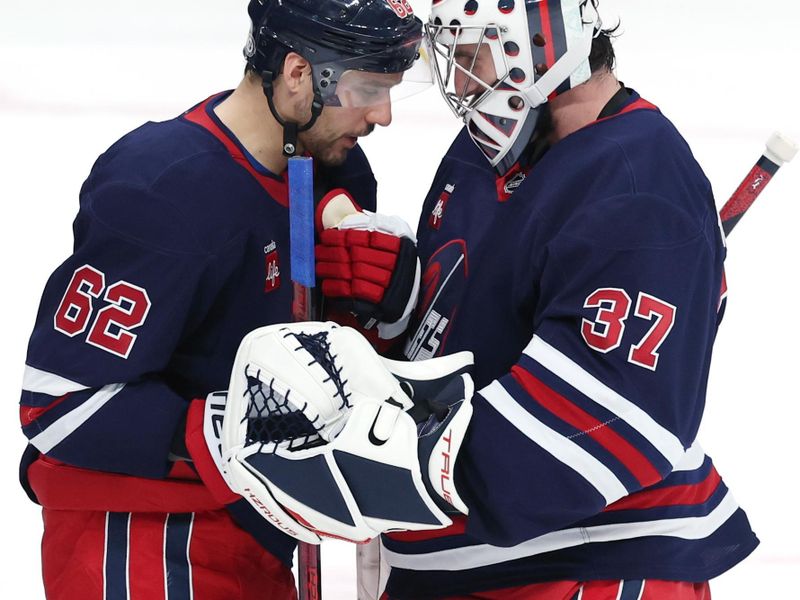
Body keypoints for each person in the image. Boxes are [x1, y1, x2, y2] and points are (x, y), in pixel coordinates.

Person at [276, 0, 760, 598]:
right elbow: (468, 336)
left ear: (535, 45)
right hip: (464, 565)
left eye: (470, 49)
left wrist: (375, 465)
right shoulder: (490, 148)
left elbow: (600, 426)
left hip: (584, 570)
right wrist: (396, 314)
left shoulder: (639, 185)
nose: (456, 77)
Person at [17, 0, 426, 597]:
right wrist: (243, 428)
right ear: (297, 72)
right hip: (141, 542)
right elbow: (60, 407)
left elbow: (294, 348)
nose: (382, 116)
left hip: (251, 531)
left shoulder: (328, 165)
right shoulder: (165, 188)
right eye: (367, 88)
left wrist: (379, 310)